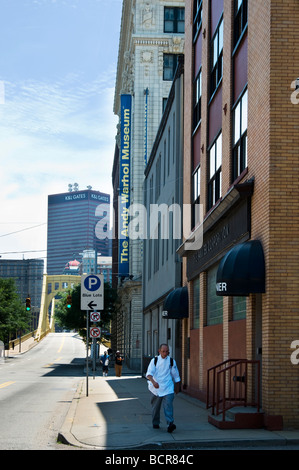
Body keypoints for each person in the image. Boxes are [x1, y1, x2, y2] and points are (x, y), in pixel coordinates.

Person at [146, 344, 181, 433]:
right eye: (163, 351)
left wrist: (177, 387)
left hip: (168, 387)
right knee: (155, 408)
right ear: (159, 351)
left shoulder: (171, 361)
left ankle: (170, 424)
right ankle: (155, 422)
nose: (165, 353)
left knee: (168, 406)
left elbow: (176, 375)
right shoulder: (154, 361)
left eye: (167, 351)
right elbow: (149, 374)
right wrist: (154, 382)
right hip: (156, 389)